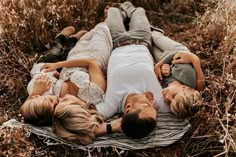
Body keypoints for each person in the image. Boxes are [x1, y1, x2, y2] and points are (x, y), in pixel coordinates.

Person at [94, 2, 171, 139]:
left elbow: (79, 126)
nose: (152, 102)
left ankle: (120, 11)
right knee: (139, 11)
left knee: (113, 11)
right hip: (142, 39)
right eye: (154, 109)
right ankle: (128, 7)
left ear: (128, 108)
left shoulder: (112, 104)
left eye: (146, 104)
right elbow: (190, 100)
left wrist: (112, 127)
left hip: (117, 40)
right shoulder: (158, 102)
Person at [20, 21, 113, 125]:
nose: (56, 100)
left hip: (47, 65)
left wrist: (35, 92)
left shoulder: (39, 88)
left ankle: (61, 37)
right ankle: (72, 40)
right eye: (54, 106)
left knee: (55, 51)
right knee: (67, 53)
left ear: (36, 97)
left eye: (50, 101)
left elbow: (41, 70)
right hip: (70, 65)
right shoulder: (90, 97)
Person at [152, 30, 205, 119]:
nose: (167, 97)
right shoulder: (187, 76)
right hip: (174, 50)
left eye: (169, 103)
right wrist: (161, 64)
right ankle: (155, 31)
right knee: (155, 37)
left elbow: (158, 71)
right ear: (184, 87)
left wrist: (163, 68)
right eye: (173, 96)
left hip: (161, 58)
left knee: (151, 46)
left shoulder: (163, 85)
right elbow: (177, 56)